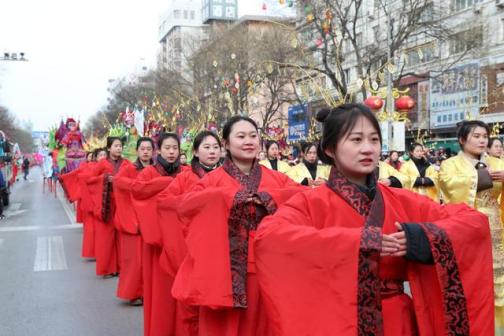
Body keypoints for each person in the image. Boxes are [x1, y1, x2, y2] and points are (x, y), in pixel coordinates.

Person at [253, 104, 493, 335]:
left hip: (398, 322)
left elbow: (473, 221)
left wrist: (421, 238)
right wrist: (358, 242)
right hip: (338, 321)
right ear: (330, 149)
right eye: (356, 140)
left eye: (374, 140)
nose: (368, 148)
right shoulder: (309, 203)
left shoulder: (402, 201)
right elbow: (269, 238)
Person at [172, 116, 303, 336]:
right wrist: (229, 197)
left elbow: (302, 199)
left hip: (271, 267)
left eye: (253, 136)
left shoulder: (278, 179)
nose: (249, 141)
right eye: (240, 136)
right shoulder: (211, 181)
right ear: (226, 144)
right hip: (226, 270)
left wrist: (267, 197)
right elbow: (185, 207)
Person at [438, 120, 504, 334]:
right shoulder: (450, 164)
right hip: (466, 227)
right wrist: (479, 176)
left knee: (498, 276)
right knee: (471, 276)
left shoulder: (498, 162)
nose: (482, 140)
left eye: (484, 136)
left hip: (494, 226)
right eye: (476, 136)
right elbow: (448, 184)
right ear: (462, 140)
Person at [157, 130, 223, 335]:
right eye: (206, 147)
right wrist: (195, 204)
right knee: (192, 302)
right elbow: (165, 202)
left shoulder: (228, 175)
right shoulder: (185, 177)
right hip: (192, 245)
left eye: (215, 147)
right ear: (195, 151)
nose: (212, 152)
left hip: (221, 247)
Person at [130, 133, 188, 336]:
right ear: (159, 150)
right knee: (162, 293)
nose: (172, 152)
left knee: (185, 294)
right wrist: (167, 184)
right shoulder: (148, 173)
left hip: (183, 243)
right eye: (167, 148)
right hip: (158, 243)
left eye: (175, 148)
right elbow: (138, 192)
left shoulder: (187, 172)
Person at [113, 137, 155, 306]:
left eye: (149, 149)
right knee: (134, 261)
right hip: (134, 221)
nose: (145, 151)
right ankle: (134, 293)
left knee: (149, 261)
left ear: (153, 151)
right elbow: (118, 183)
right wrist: (139, 187)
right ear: (137, 151)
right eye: (142, 149)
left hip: (151, 220)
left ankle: (149, 292)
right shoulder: (129, 168)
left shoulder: (156, 169)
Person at [87, 137, 130, 277]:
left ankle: (122, 267)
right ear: (109, 148)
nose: (118, 148)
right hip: (107, 202)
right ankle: (108, 268)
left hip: (123, 202)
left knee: (122, 236)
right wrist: (105, 179)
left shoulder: (127, 163)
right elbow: (90, 180)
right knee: (107, 236)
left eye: (120, 146)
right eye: (116, 146)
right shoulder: (102, 164)